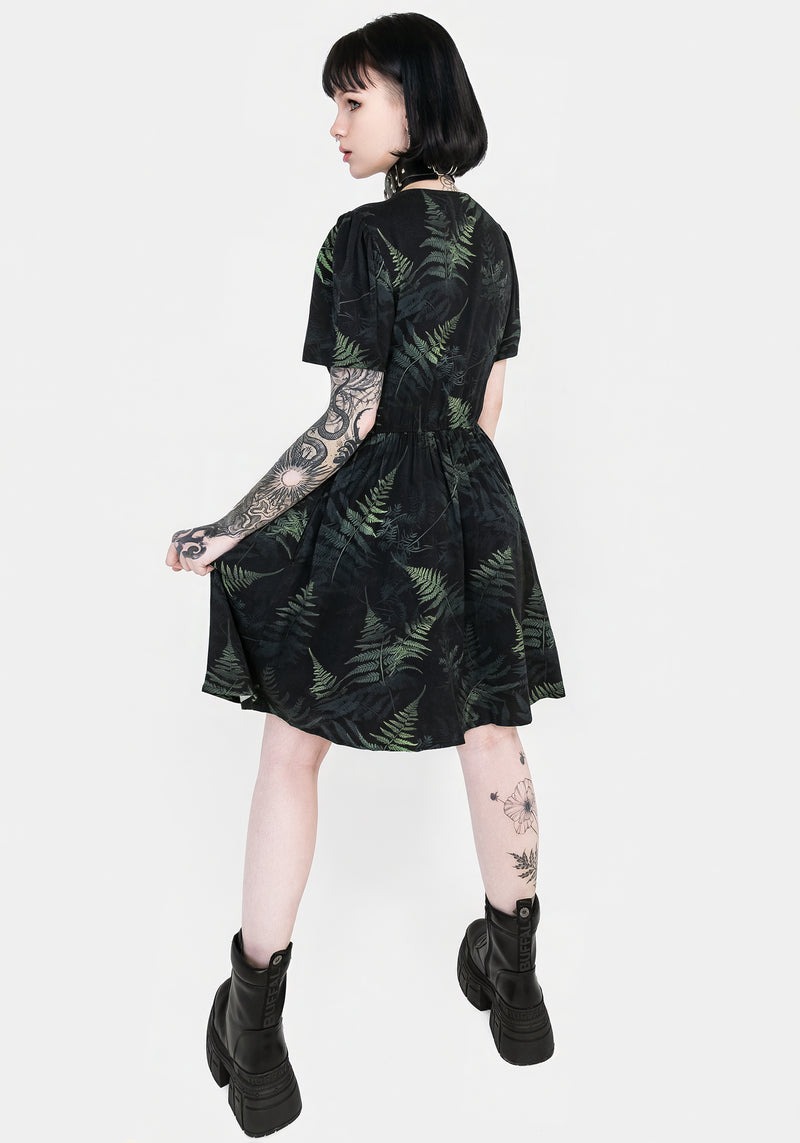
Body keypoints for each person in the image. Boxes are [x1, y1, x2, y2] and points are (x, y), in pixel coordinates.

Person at [165, 12, 566, 1136]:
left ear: (414, 104)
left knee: (293, 745)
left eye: (353, 100)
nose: (334, 126)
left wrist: (231, 527)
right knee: (493, 735)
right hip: (477, 512)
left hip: (378, 513)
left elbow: (349, 421)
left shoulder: (360, 239)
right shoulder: (494, 240)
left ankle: (255, 1025)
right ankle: (518, 981)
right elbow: (486, 406)